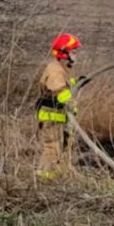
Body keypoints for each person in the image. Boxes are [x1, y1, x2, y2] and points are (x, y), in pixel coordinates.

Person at [35, 33, 81, 179]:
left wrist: (78, 83)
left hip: (59, 116)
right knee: (52, 148)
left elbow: (66, 88)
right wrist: (73, 97)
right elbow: (61, 95)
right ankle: (44, 178)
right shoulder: (55, 70)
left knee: (63, 147)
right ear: (64, 53)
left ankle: (57, 175)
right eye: (73, 52)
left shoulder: (62, 69)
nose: (76, 55)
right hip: (51, 116)